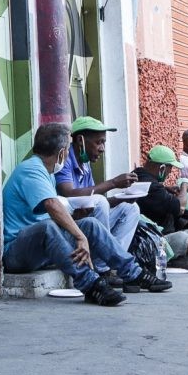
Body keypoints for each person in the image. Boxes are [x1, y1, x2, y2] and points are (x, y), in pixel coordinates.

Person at [2, 123, 171, 306]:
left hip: (40, 251)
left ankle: (134, 273)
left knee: (90, 223)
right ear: (62, 152)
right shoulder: (31, 169)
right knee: (48, 228)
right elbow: (51, 205)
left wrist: (76, 218)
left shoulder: (46, 172)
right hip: (16, 254)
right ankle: (91, 285)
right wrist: (79, 236)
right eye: (68, 148)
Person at [55, 116, 141, 285]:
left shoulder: (85, 165)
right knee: (100, 201)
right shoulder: (65, 160)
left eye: (104, 143)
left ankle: (113, 264)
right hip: (68, 227)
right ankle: (102, 270)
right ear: (80, 140)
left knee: (130, 209)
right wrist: (113, 183)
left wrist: (122, 198)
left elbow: (94, 202)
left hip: (85, 220)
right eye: (98, 142)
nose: (102, 149)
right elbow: (68, 193)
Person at [133, 145, 188, 267]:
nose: (169, 173)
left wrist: (165, 189)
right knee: (183, 238)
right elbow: (180, 208)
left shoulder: (140, 178)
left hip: (162, 235)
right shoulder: (151, 186)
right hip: (157, 241)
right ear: (162, 168)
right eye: (170, 168)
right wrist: (185, 187)